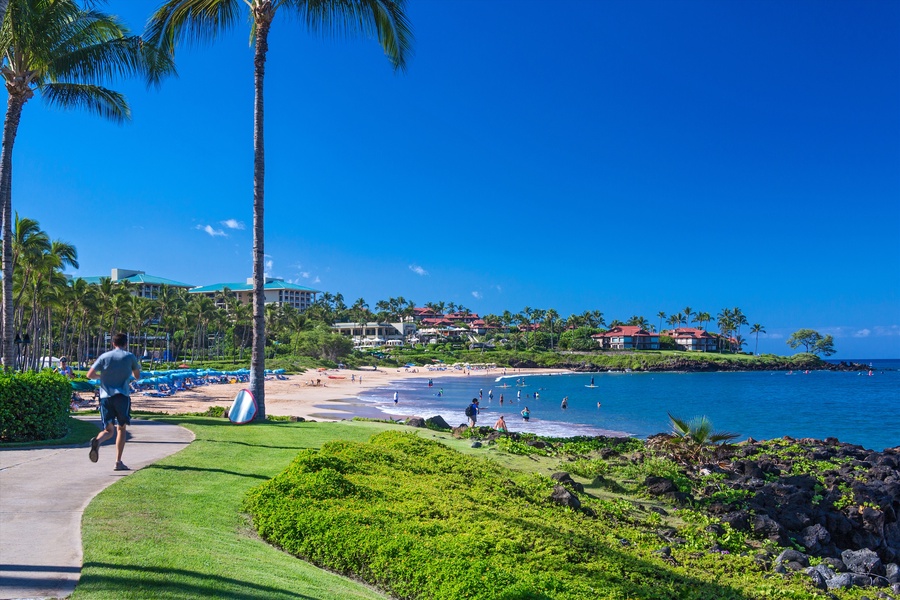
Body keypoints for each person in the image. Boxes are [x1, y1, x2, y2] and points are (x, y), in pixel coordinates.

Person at [86, 333, 141, 471]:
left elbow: (90, 375)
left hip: (105, 397)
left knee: (108, 430)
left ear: (113, 343)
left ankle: (97, 441)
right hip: (122, 396)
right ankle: (118, 462)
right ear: (125, 343)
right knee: (121, 428)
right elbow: (137, 375)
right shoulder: (129, 356)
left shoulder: (104, 357)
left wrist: (103, 377)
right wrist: (127, 376)